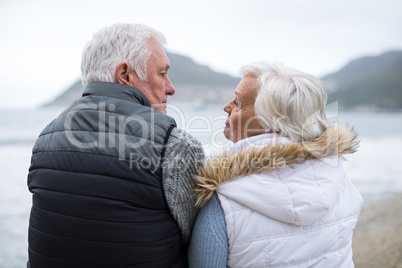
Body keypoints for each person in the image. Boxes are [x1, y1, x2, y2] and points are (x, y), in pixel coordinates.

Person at [27, 23, 204, 267]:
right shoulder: (174, 145)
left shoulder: (46, 139)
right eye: (162, 74)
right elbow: (200, 242)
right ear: (125, 75)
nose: (170, 88)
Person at [188, 61, 363, 267]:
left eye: (238, 103)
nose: (226, 107)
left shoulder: (224, 199)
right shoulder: (338, 178)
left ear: (269, 123)